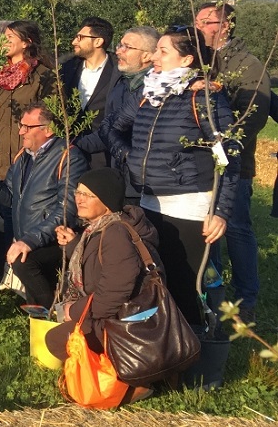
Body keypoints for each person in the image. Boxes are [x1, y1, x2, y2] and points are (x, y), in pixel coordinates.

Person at [104, 27, 240, 326]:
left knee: (184, 286)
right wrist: (128, 156)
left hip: (189, 204)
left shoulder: (204, 98)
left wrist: (220, 213)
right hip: (149, 200)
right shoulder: (148, 92)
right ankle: (163, 353)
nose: (154, 57)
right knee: (154, 282)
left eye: (163, 52)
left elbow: (229, 158)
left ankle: (195, 357)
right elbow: (112, 127)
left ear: (187, 59)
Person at [43, 167, 163, 402]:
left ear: (106, 202)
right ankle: (115, 371)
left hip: (128, 322)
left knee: (56, 341)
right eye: (78, 192)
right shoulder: (101, 229)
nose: (79, 198)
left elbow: (114, 293)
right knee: (60, 338)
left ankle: (129, 384)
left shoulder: (115, 234)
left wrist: (73, 312)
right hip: (116, 314)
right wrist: (75, 244)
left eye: (88, 195)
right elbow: (101, 267)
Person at [0, 101, 88, 309]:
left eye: (27, 127)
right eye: (20, 125)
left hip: (52, 241)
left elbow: (67, 210)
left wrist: (30, 240)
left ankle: (55, 315)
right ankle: (44, 322)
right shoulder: (22, 157)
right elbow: (10, 198)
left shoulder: (68, 157)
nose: (21, 131)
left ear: (48, 130)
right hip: (28, 237)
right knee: (33, 304)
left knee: (25, 263)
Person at [195, 2, 269, 325]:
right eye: (197, 21)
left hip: (234, 164)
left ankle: (246, 298)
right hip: (198, 166)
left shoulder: (248, 65)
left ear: (225, 26)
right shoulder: (198, 61)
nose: (199, 27)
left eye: (206, 22)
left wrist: (224, 144)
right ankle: (214, 292)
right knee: (207, 232)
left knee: (236, 228)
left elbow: (253, 114)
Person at [0, 20, 57, 182]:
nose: (3, 41)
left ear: (26, 42)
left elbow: (50, 121)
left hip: (28, 161)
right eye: (3, 37)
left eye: (9, 37)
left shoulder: (44, 76)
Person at [98, 26, 158, 204]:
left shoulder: (156, 89)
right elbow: (107, 126)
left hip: (145, 183)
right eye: (119, 45)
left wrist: (128, 156)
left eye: (127, 47)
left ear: (147, 56)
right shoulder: (121, 83)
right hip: (120, 178)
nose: (118, 51)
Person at [59, 17, 120, 168]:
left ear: (98, 41)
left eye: (80, 37)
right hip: (70, 154)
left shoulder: (118, 71)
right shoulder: (67, 69)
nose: (74, 41)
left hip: (104, 155)